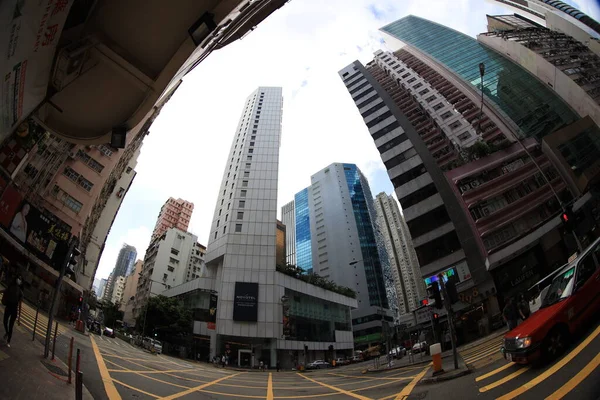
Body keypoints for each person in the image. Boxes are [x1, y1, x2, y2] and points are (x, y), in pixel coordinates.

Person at [1, 275, 23, 348]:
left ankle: (8, 341)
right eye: (18, 278)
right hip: (8, 307)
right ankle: (7, 333)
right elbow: (4, 290)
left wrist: (19, 317)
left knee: (11, 325)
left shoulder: (20, 292)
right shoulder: (11, 286)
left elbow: (20, 305)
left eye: (20, 279)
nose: (19, 280)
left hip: (14, 309)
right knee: (4, 321)